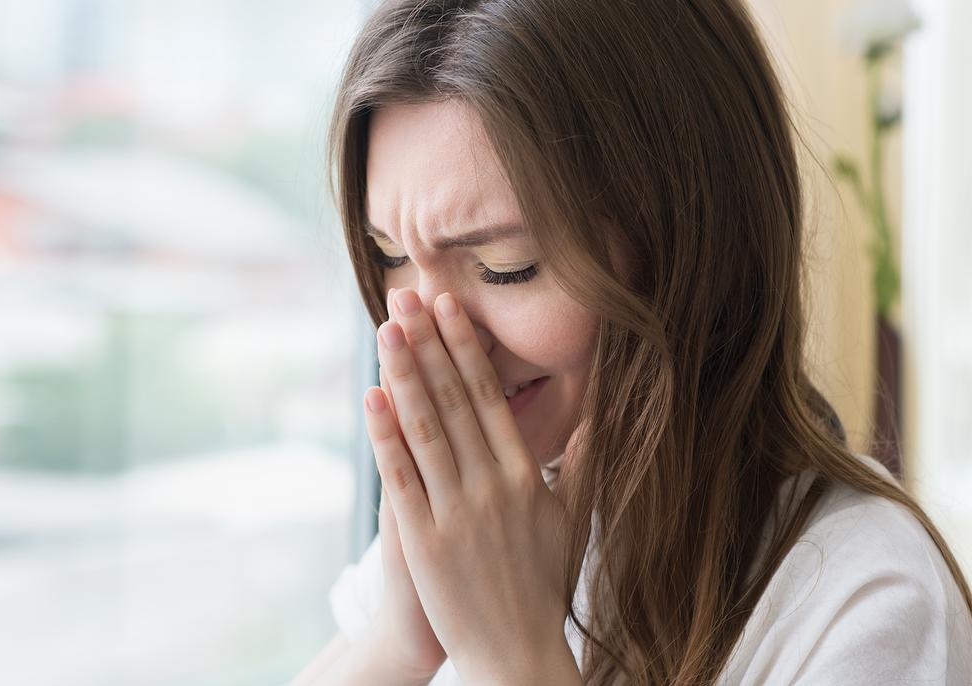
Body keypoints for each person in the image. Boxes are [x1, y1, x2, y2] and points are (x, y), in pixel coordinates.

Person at [291, 0, 972, 683]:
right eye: (389, 255)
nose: (425, 338)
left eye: (505, 265)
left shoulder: (869, 603)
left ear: (689, 246)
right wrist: (402, 642)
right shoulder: (493, 511)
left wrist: (512, 656)